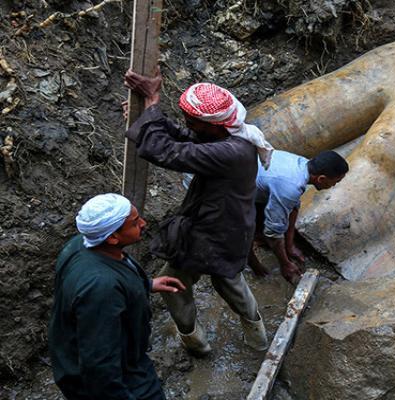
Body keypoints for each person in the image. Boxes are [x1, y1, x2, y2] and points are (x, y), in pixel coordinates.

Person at [123, 69, 272, 356]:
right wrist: (146, 117)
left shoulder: (230, 152)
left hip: (217, 233)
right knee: (214, 281)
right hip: (218, 229)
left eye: (192, 119)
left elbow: (168, 151)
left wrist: (152, 103)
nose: (186, 123)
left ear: (214, 125)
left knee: (210, 283)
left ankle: (215, 344)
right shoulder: (231, 136)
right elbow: (185, 136)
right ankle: (244, 342)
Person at [48, 193, 186, 400]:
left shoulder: (80, 245)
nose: (143, 223)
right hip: (116, 376)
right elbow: (99, 366)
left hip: (83, 359)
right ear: (112, 237)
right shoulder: (101, 289)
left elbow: (115, 273)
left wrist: (146, 284)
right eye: (134, 223)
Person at [247, 150, 348, 282]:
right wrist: (285, 264)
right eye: (335, 182)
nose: (333, 186)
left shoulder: (303, 165)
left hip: (253, 179)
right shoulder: (290, 186)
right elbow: (273, 233)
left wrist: (290, 245)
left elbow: (293, 206)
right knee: (244, 229)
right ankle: (252, 262)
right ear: (321, 178)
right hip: (230, 187)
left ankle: (259, 238)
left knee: (272, 219)